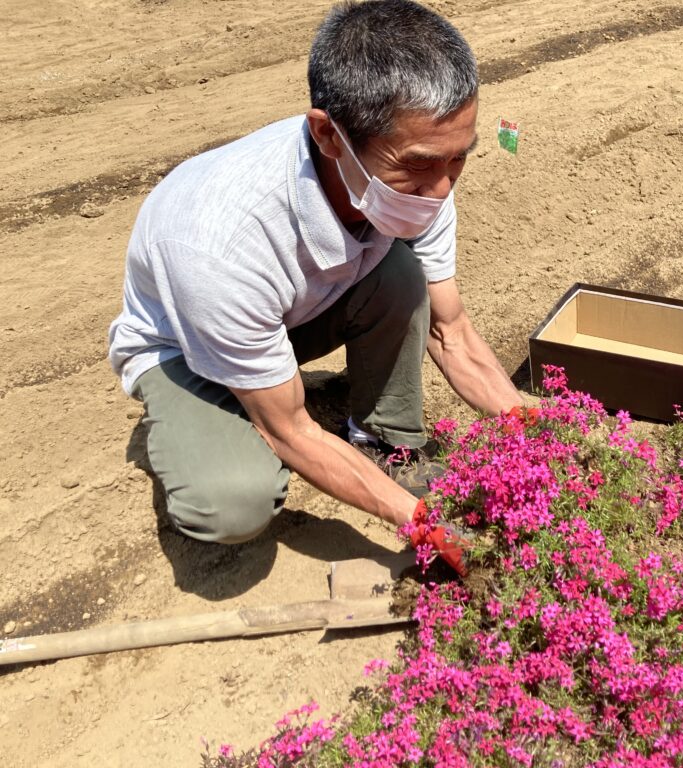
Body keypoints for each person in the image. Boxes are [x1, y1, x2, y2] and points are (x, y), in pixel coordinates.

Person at [107, 0, 529, 571]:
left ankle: (381, 437)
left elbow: (450, 330)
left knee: (404, 274)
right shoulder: (222, 240)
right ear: (329, 135)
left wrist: (544, 434)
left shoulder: (424, 179)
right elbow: (291, 431)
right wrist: (424, 524)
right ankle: (225, 407)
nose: (441, 188)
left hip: (286, 314)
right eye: (420, 165)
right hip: (184, 347)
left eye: (459, 159)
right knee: (233, 504)